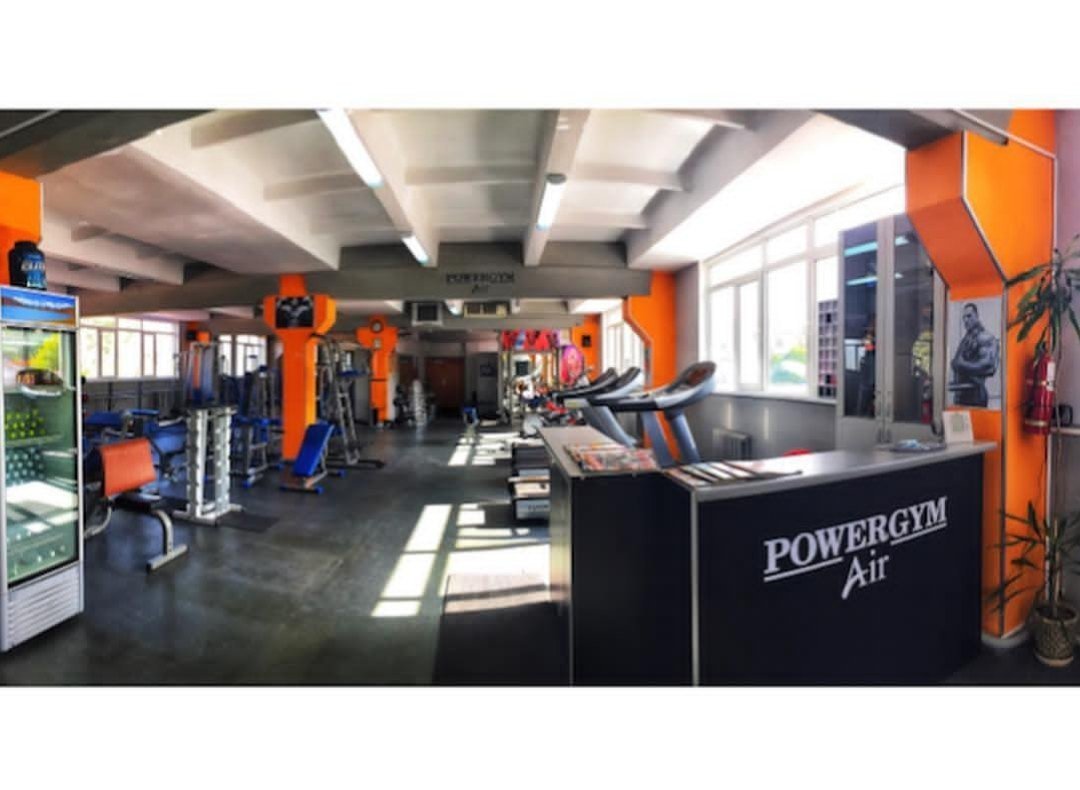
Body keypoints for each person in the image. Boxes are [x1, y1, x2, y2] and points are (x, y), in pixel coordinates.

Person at [950, 303, 1000, 407]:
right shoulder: (967, 339)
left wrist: (961, 365)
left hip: (975, 398)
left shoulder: (985, 337)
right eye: (964, 317)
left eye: (969, 316)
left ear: (977, 316)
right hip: (961, 397)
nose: (966, 320)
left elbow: (989, 367)